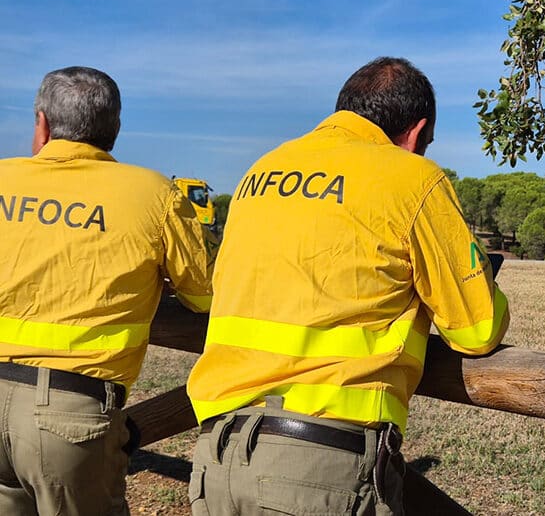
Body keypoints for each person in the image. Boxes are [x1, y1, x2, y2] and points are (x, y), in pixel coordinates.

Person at [186, 57, 510, 515]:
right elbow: (476, 330)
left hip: (217, 458)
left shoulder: (262, 170)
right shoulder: (412, 177)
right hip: (321, 469)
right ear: (416, 133)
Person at [0, 66, 213, 515]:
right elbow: (203, 295)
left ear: (42, 124)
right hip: (69, 413)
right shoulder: (154, 194)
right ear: (114, 128)